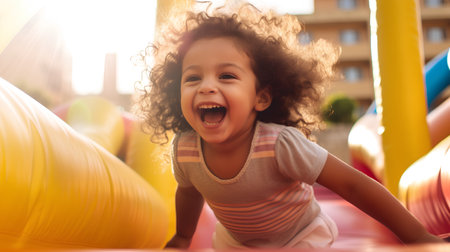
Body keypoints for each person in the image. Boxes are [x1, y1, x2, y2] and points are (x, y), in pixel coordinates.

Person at [135, 1, 444, 249]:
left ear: (262, 97)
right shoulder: (185, 149)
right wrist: (183, 237)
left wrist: (416, 236)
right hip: (236, 243)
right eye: (192, 78)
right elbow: (188, 193)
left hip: (299, 238)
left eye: (226, 76)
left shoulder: (279, 145)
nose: (206, 87)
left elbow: (353, 185)